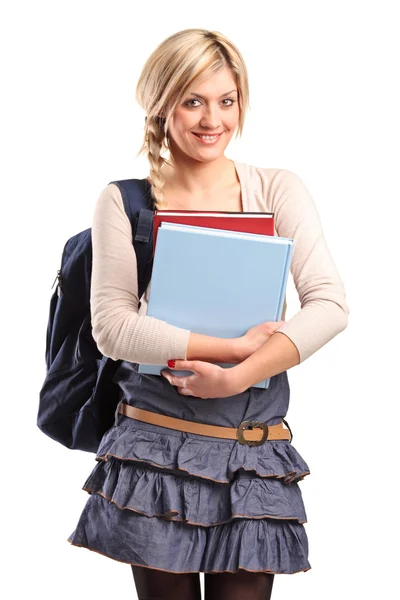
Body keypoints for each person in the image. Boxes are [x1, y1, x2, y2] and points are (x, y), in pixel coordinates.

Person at [67, 28, 349, 600]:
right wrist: (235, 349)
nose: (211, 119)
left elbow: (331, 304)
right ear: (162, 103)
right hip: (157, 446)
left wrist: (240, 376)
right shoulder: (125, 201)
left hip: (252, 456)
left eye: (226, 99)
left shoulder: (276, 189)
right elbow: (113, 328)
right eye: (192, 100)